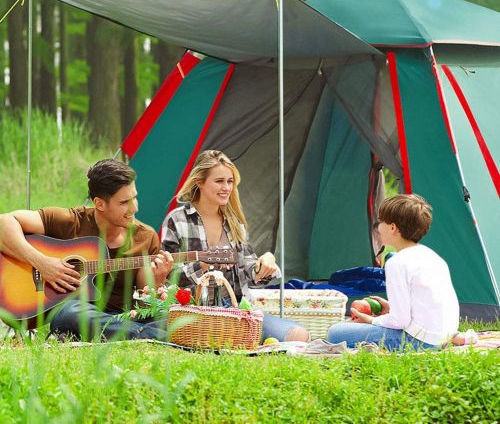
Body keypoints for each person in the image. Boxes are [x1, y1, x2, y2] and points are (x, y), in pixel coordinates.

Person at [0, 159, 173, 341]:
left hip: (124, 317)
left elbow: (144, 305)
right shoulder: (71, 221)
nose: (134, 208)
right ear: (99, 204)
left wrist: (157, 282)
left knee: (171, 315)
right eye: (124, 202)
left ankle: (137, 333)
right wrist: (42, 263)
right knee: (70, 312)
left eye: (134, 197)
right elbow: (4, 223)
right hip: (80, 314)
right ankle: (152, 336)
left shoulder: (145, 237)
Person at [161, 150, 310, 343]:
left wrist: (266, 261)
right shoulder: (177, 220)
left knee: (299, 335)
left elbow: (251, 273)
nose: (226, 187)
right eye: (219, 181)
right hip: (196, 313)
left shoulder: (234, 223)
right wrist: (203, 267)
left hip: (237, 309)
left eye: (230, 181)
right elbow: (168, 276)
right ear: (199, 182)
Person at [327, 194, 459, 351]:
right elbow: (426, 304)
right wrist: (391, 308)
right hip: (442, 336)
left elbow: (400, 322)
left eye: (381, 222)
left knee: (335, 333)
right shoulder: (432, 256)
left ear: (393, 228)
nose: (378, 227)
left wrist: (371, 320)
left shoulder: (397, 263)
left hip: (421, 342)